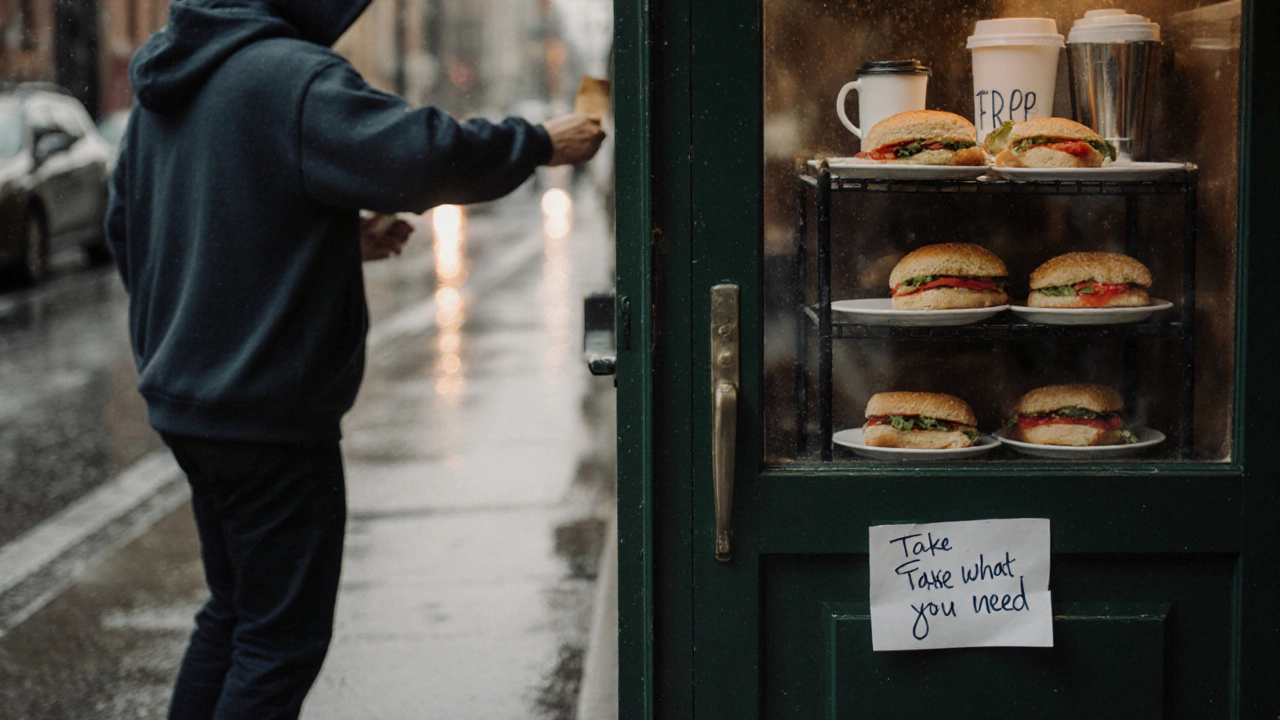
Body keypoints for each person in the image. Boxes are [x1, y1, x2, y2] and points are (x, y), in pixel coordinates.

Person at [104, 1, 605, 718]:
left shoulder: (169, 79)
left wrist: (327, 243)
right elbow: (424, 155)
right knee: (280, 643)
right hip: (267, 416)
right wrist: (537, 142)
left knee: (234, 616)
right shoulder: (292, 78)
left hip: (192, 406)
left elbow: (134, 225)